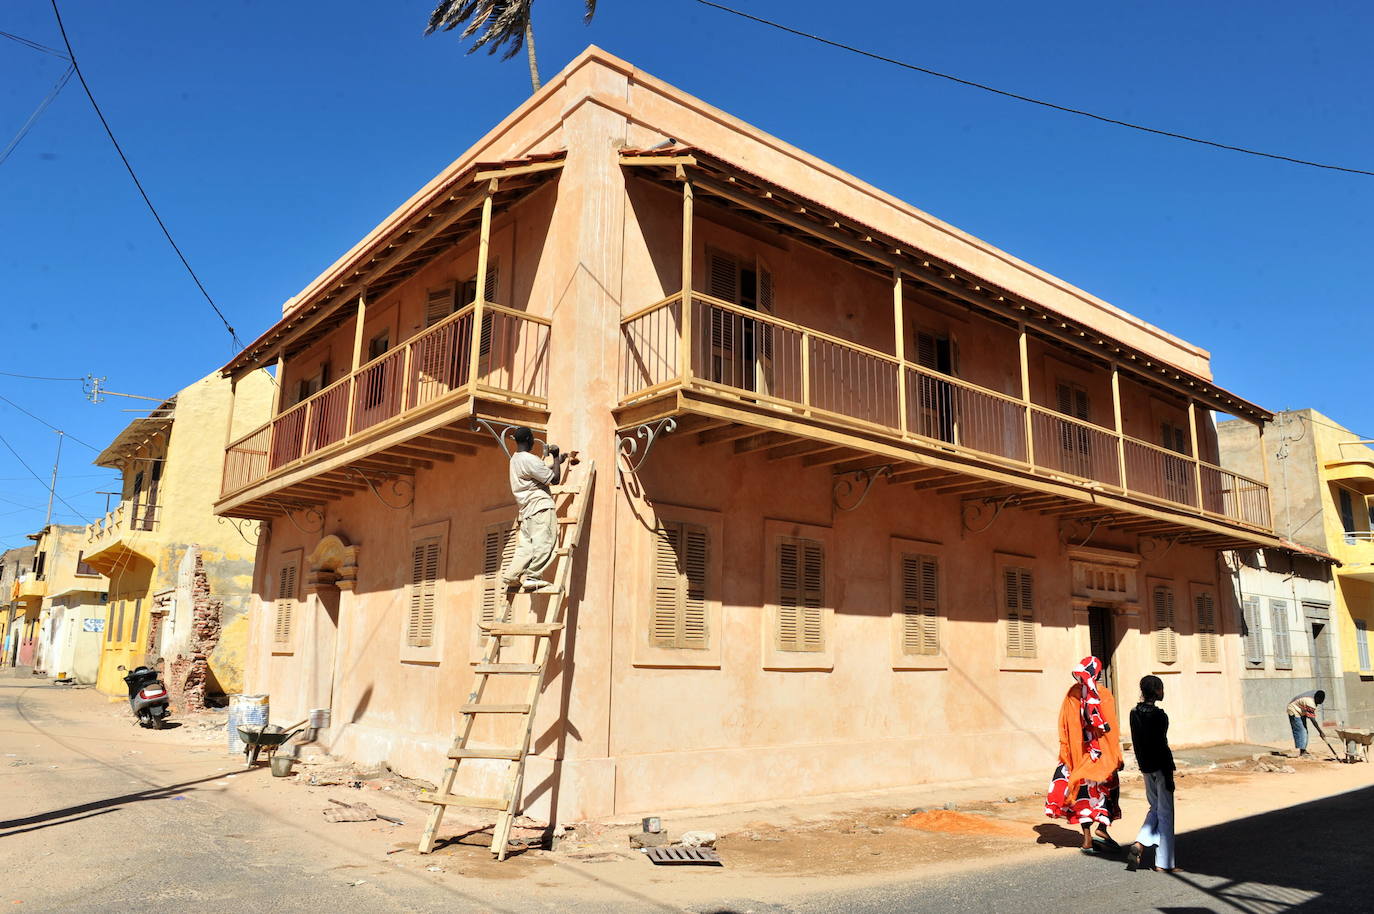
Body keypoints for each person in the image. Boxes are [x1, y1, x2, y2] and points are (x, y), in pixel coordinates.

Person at [1045, 656, 1124, 853]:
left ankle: (1087, 839)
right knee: (1108, 791)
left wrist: (1069, 752)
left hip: (1080, 756)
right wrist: (1116, 756)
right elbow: (1111, 730)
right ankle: (1103, 828)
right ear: (1096, 673)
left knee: (1083, 797)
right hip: (1102, 757)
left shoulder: (1073, 693)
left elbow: (1066, 724)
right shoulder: (1104, 694)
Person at [502, 426, 568, 593]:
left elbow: (540, 473)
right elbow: (554, 479)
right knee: (545, 543)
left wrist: (557, 462)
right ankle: (533, 577)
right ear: (528, 440)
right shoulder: (529, 459)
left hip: (526, 511)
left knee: (526, 547)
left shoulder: (514, 460)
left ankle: (512, 575)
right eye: (531, 438)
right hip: (540, 507)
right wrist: (554, 454)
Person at [1126, 675, 1175, 873]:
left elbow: (1138, 742)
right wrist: (1168, 772)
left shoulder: (1133, 713)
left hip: (1145, 766)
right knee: (1165, 813)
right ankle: (1163, 863)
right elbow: (1162, 745)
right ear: (1155, 691)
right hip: (1161, 767)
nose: (1163, 692)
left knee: (1155, 808)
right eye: (1161, 689)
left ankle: (1140, 844)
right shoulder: (1160, 715)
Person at [1286, 689, 1326, 757]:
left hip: (1301, 709)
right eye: (1319, 701)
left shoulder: (1316, 695)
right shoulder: (1310, 702)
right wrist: (1320, 732)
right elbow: (1313, 720)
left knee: (1304, 730)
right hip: (1294, 710)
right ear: (1316, 698)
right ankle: (1302, 751)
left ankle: (1303, 750)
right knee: (1302, 730)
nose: (1320, 703)